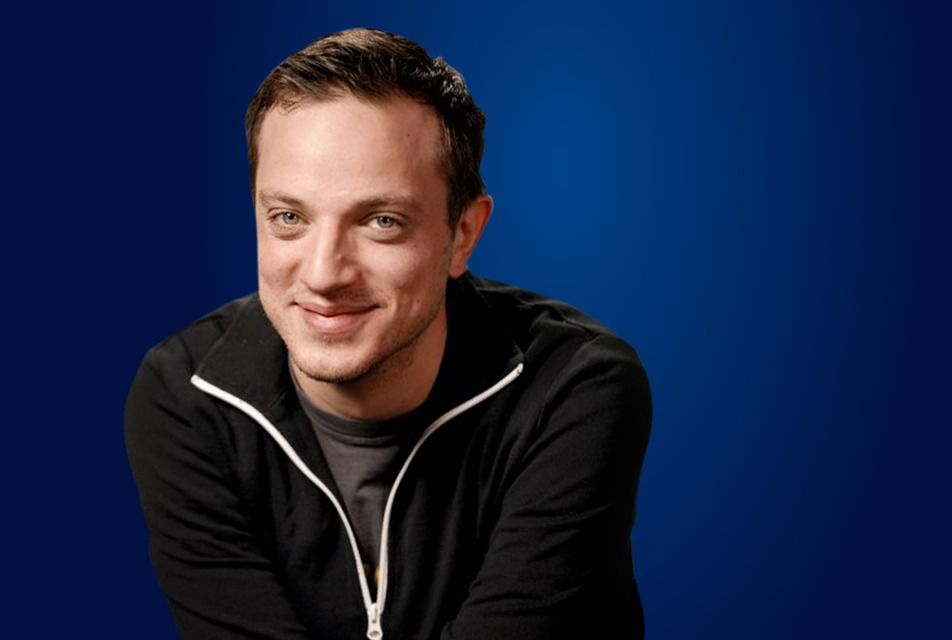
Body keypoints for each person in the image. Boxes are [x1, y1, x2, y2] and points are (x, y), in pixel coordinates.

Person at [125, 28, 651, 639]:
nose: (324, 274)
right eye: (289, 217)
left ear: (463, 234)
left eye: (381, 221)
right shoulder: (186, 400)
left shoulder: (574, 388)